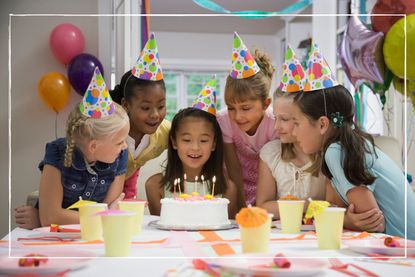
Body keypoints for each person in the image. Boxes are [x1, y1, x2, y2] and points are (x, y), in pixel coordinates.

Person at [291, 43, 414, 238]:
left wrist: (344, 220)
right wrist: (345, 219)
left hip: (404, 245)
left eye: (296, 123)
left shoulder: (337, 151)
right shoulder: (342, 147)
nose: (293, 132)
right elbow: (334, 208)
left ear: (322, 124)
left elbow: (374, 223)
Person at [38, 67, 129, 226]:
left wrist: (103, 216)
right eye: (119, 142)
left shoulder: (120, 155)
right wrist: (103, 217)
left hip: (93, 236)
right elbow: (49, 218)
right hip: (57, 237)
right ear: (94, 145)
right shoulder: (58, 152)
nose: (124, 146)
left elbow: (108, 212)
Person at [146, 78, 237, 217]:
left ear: (214, 144)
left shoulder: (228, 189)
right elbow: (160, 229)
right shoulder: (154, 186)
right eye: (187, 140)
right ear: (174, 142)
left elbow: (226, 231)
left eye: (204, 140)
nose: (195, 147)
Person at [256, 46, 326, 219]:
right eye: (275, 118)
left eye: (285, 119)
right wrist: (308, 205)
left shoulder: (328, 155)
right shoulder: (272, 154)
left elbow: (336, 207)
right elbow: (263, 207)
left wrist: (286, 207)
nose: (276, 127)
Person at [217, 32, 278, 208]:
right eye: (230, 107)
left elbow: (275, 168)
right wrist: (241, 205)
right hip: (235, 185)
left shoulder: (275, 123)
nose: (237, 116)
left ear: (265, 104)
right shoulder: (224, 120)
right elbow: (232, 167)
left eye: (245, 108)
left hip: (266, 185)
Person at [110, 32, 170, 200]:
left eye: (161, 106)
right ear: (126, 105)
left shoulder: (165, 132)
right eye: (145, 108)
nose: (155, 115)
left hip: (124, 192)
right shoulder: (107, 129)